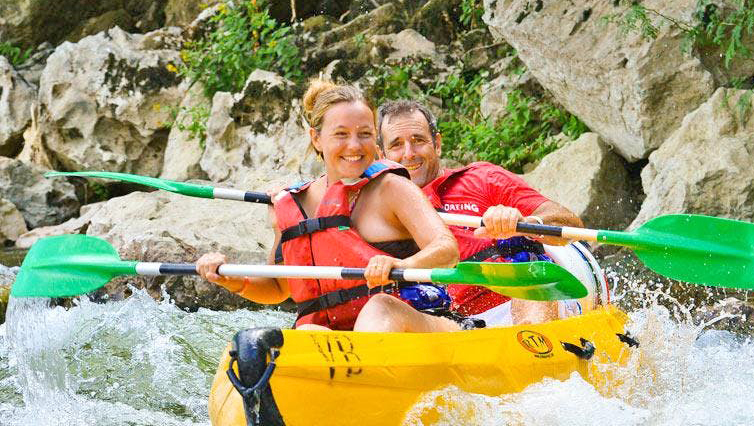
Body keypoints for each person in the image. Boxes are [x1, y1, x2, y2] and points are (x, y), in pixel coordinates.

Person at [196, 81, 463, 332]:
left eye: (365, 134)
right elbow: (278, 287)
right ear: (316, 139)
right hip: (341, 343)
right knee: (308, 331)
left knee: (379, 308)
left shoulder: (392, 187)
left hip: (419, 324)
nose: (355, 146)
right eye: (341, 135)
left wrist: (402, 263)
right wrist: (228, 278)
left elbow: (447, 249)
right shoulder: (293, 204)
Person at [377, 99, 609, 326]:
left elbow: (572, 226)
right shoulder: (373, 213)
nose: (408, 153)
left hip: (522, 305)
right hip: (453, 326)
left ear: (437, 144)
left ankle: (535, 352)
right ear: (381, 155)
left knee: (528, 284)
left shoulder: (481, 178)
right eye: (396, 145)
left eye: (418, 140)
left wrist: (526, 223)